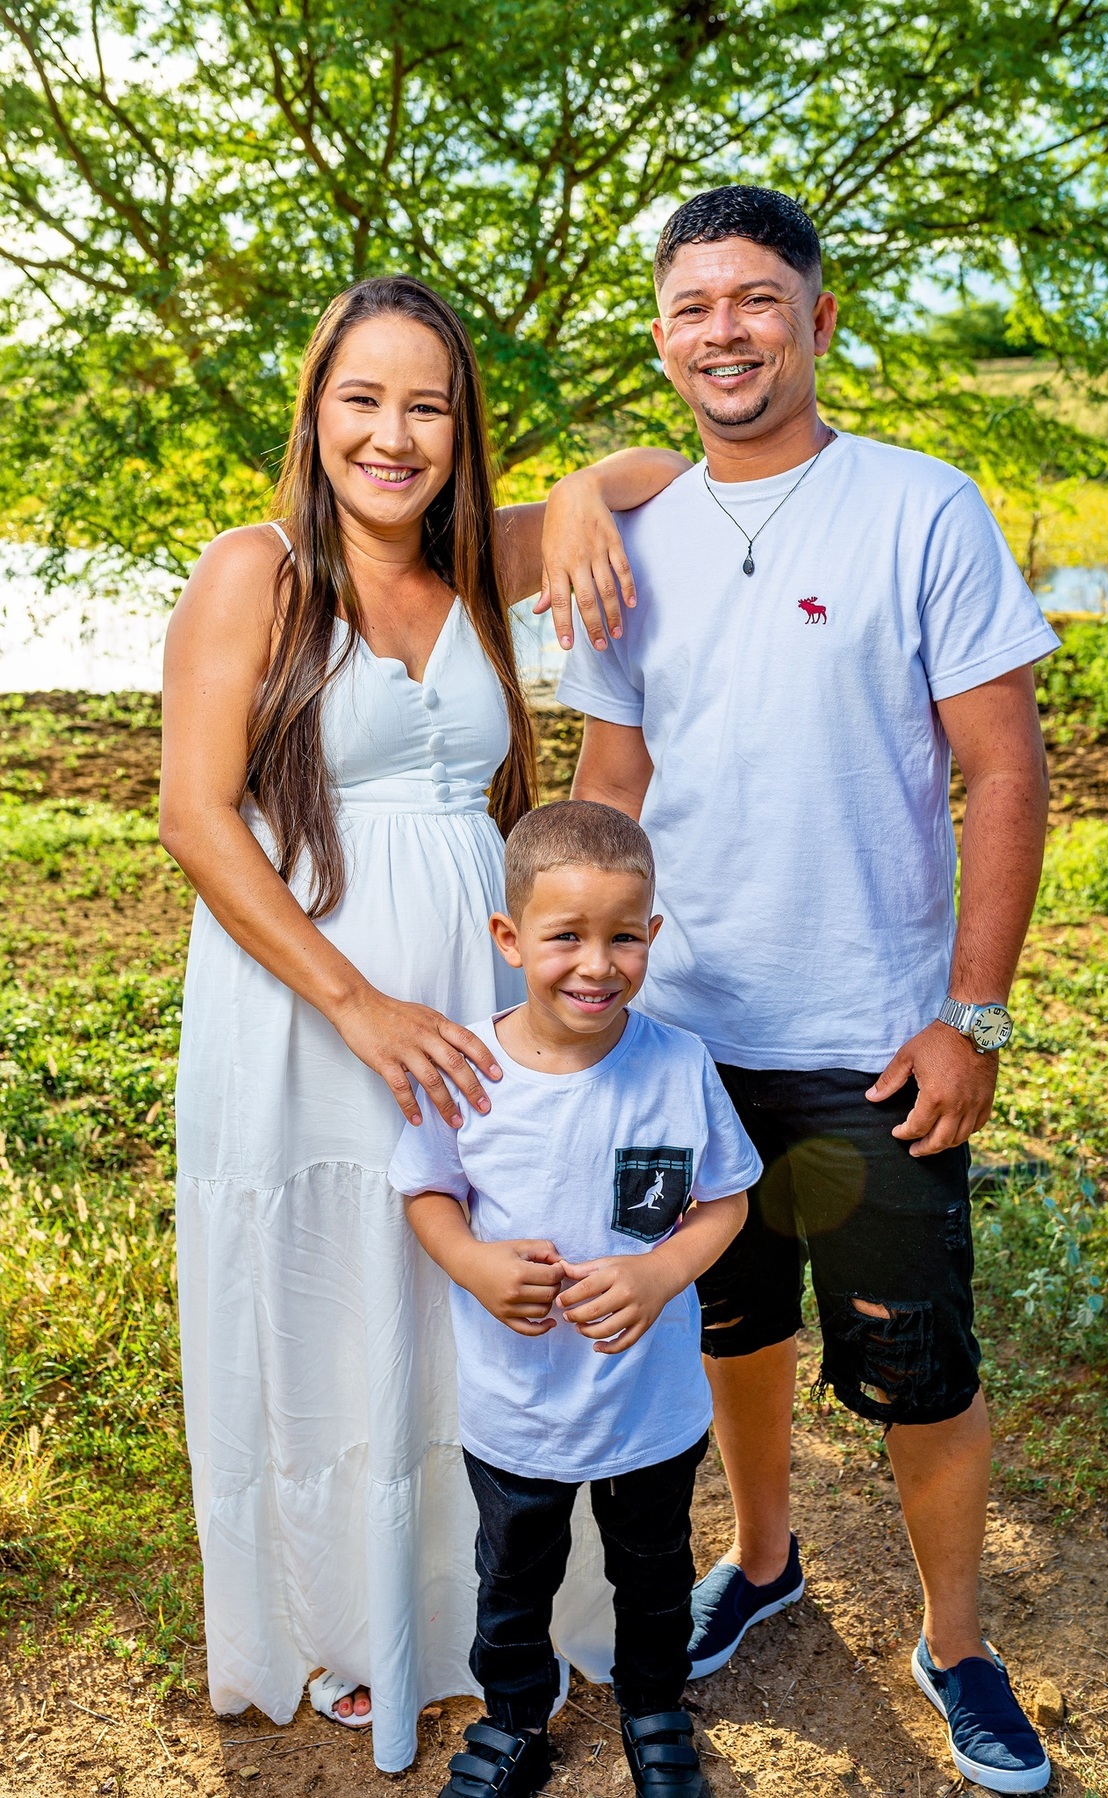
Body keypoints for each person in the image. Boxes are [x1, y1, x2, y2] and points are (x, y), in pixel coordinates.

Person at [561, 187, 1058, 1795]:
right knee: (728, 1316)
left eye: (758, 298)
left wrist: (970, 1014)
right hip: (679, 1042)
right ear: (662, 336)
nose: (726, 331)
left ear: (819, 319)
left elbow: (1005, 770)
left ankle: (957, 1643)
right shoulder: (632, 542)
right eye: (694, 305)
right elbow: (612, 779)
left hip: (871, 1045)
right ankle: (763, 1558)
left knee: (918, 1363)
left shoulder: (921, 507)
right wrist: (581, 1000)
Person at [160, 274, 689, 1771]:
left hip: (471, 986)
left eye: (427, 406)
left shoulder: (476, 563)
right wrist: (359, 1005)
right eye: (363, 400)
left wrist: (577, 493)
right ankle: (348, 1622)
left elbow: (661, 469)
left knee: (477, 1273)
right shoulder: (254, 572)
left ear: (462, 429)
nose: (392, 436)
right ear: (314, 412)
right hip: (309, 999)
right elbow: (196, 815)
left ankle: (483, 1615)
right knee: (340, 1283)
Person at [390, 801, 760, 1798]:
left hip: (651, 1405)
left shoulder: (677, 1063)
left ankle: (655, 1707)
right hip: (517, 1405)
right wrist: (472, 1263)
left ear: (653, 934)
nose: (597, 965)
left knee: (655, 1571)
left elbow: (727, 1200)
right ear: (510, 938)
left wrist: (658, 1273)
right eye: (566, 937)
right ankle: (514, 1719)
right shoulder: (469, 1070)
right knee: (512, 1578)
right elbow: (425, 1190)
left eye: (624, 937)